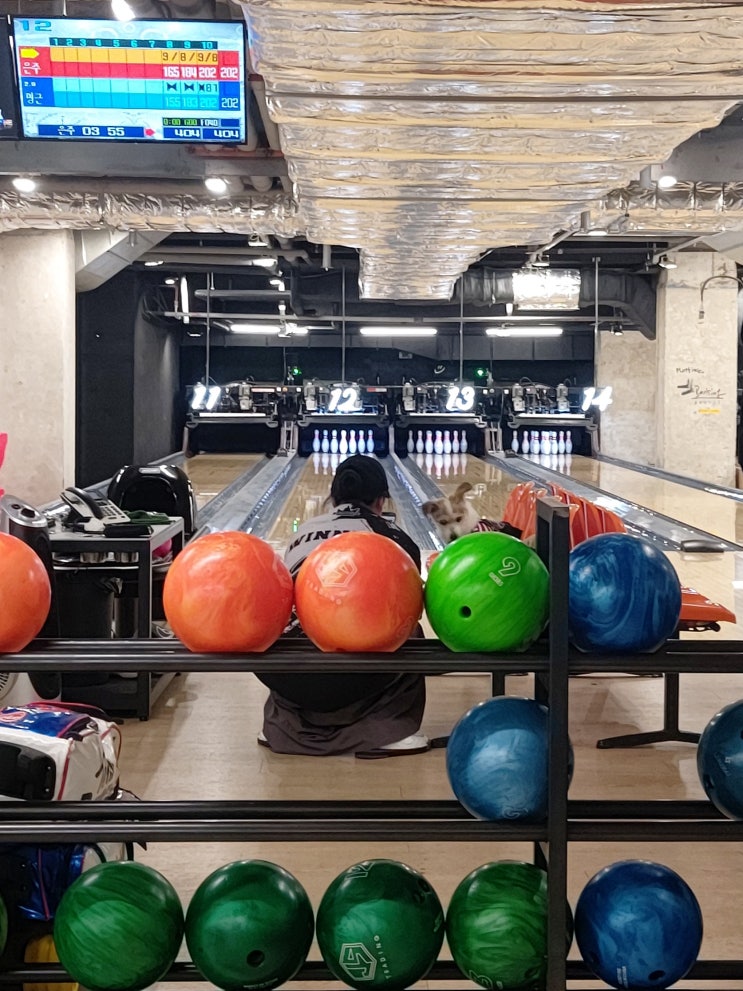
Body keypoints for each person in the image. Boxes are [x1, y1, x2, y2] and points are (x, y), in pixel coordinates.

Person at [257, 455, 429, 759]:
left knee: (284, 623)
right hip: (356, 675)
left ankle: (284, 725)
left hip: (287, 673)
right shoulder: (396, 539)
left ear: (333, 497)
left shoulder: (301, 532)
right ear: (381, 501)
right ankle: (389, 729)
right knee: (408, 626)